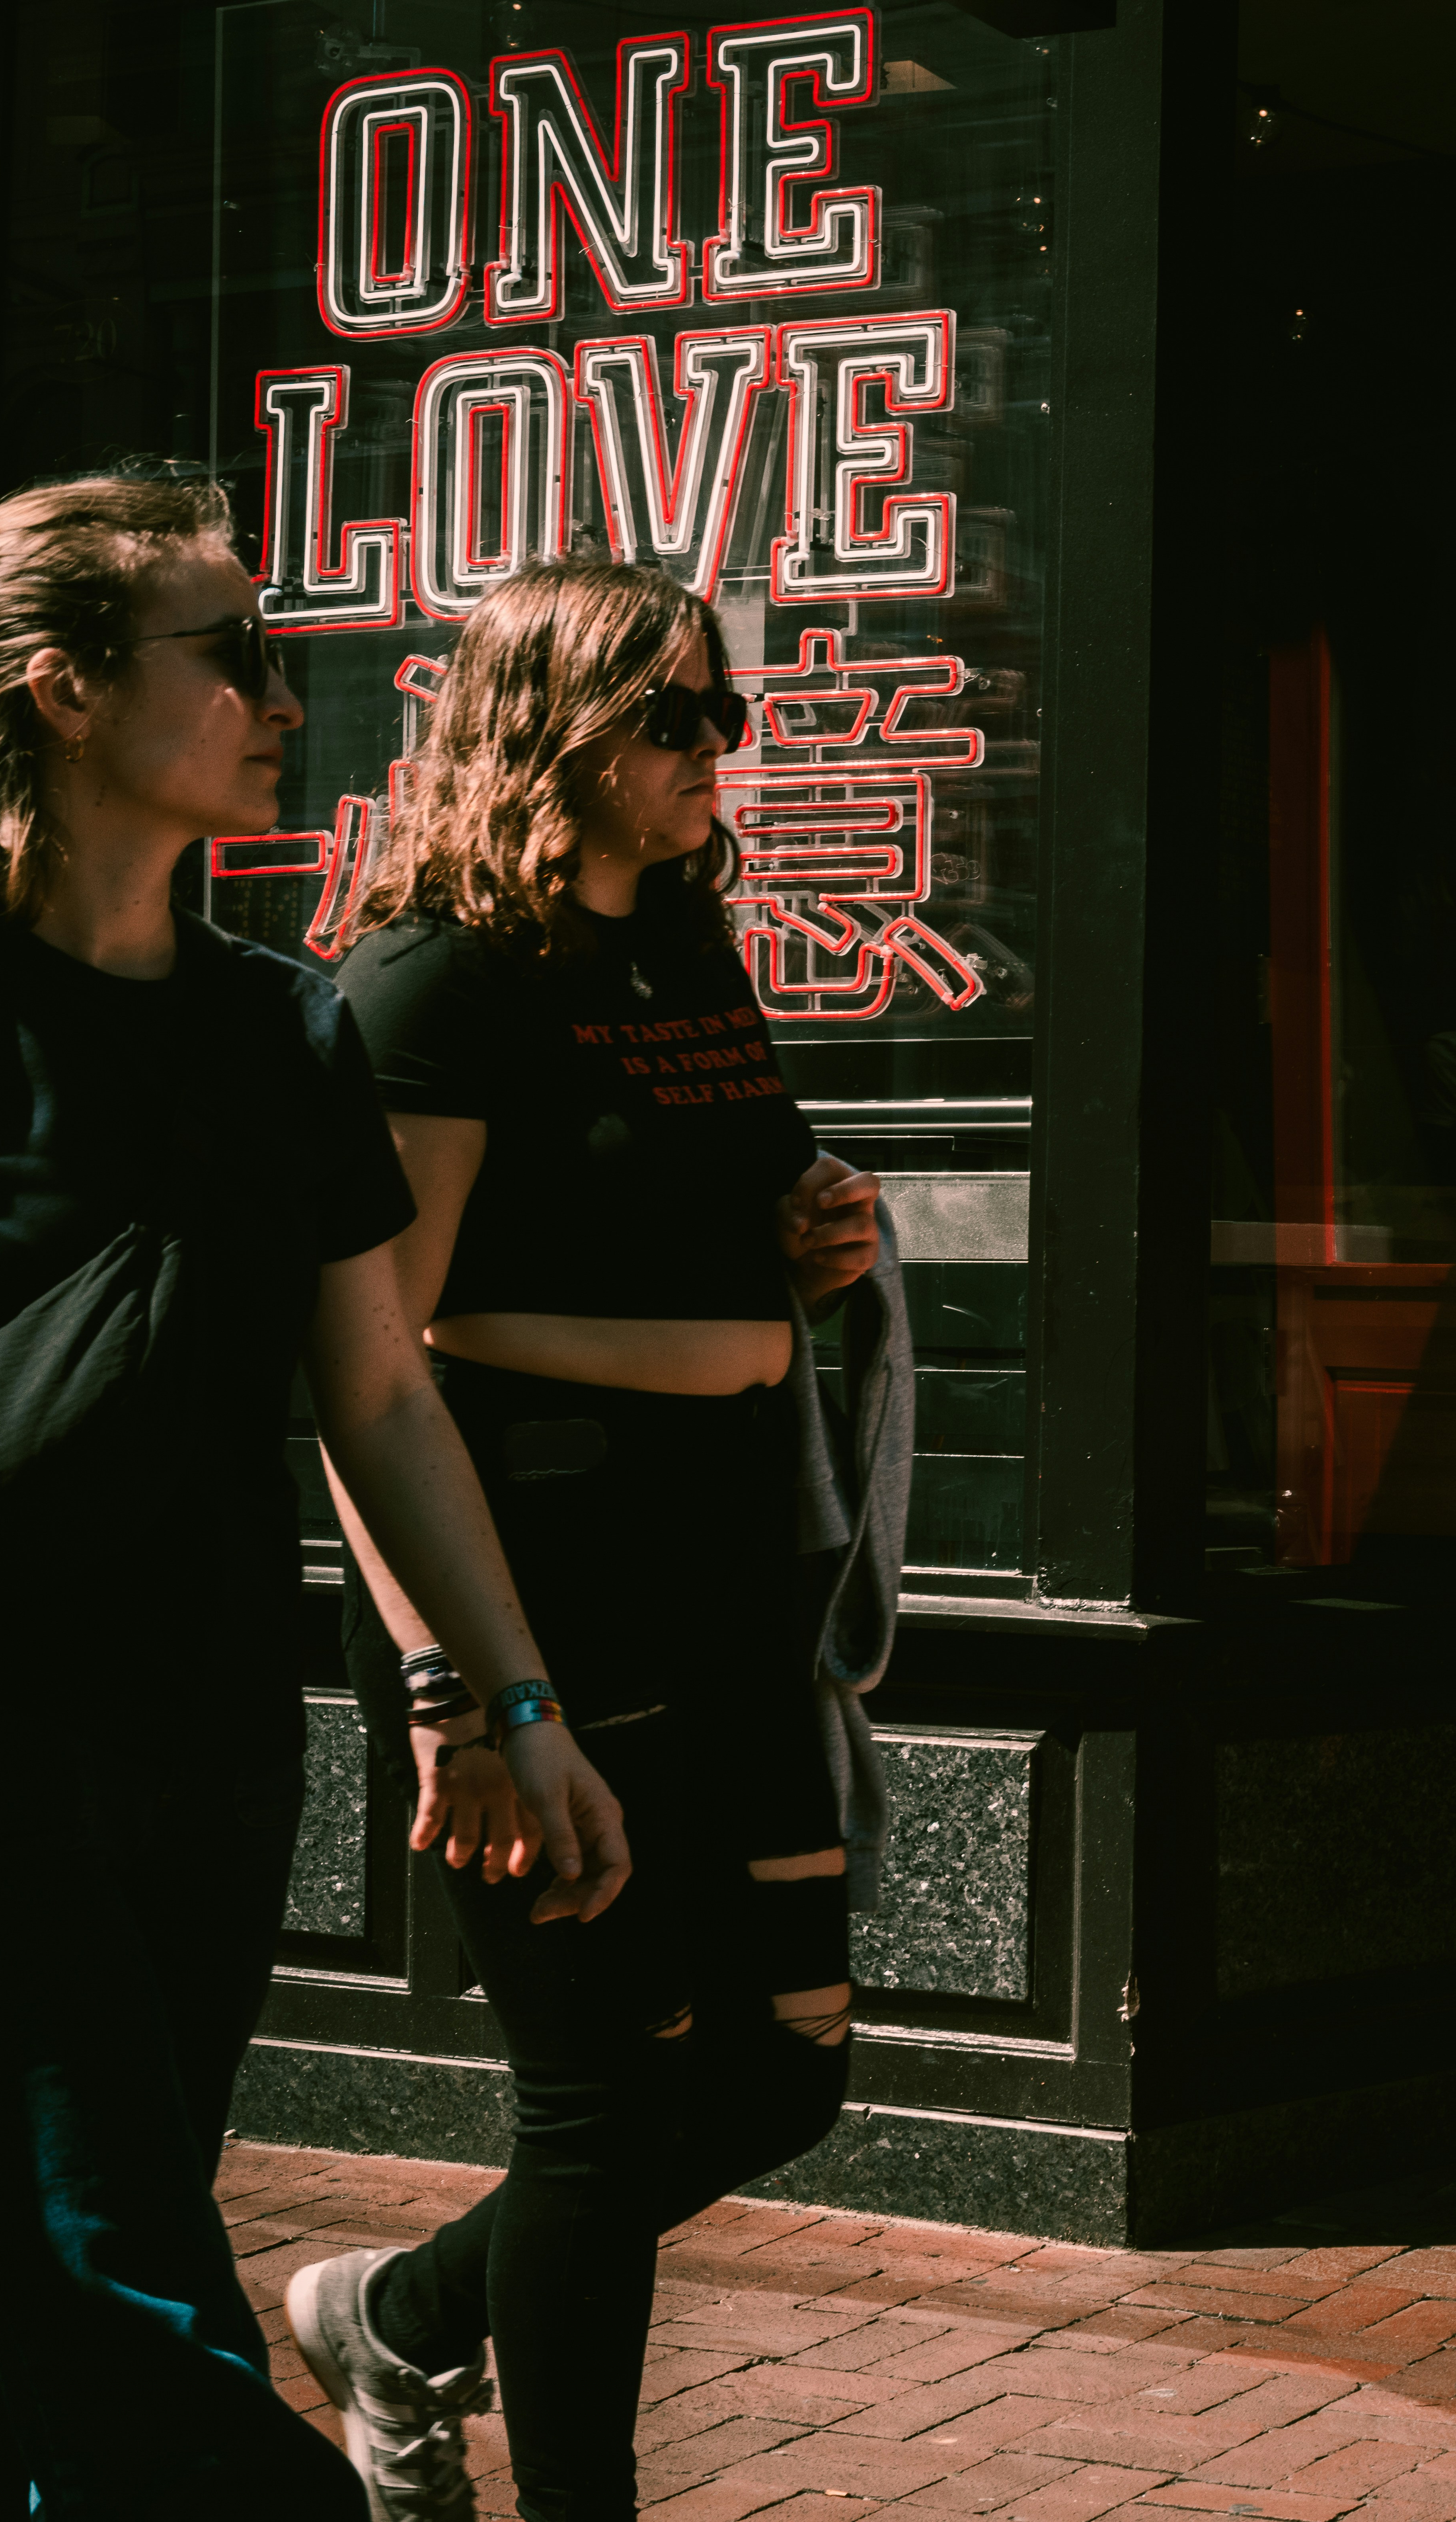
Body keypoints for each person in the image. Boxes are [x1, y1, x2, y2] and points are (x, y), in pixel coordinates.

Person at [0, 472, 626, 2519]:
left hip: (206, 1740)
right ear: (67, 688)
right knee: (113, 2291)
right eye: (236, 654)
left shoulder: (281, 1026)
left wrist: (517, 1698)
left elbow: (382, 1395)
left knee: (4, 2307)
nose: (288, 699)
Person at [274, 560, 885, 2522]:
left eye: (728, 711)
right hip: (546, 1575)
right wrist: (450, 1688)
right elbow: (368, 1374)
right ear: (558, 731)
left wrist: (803, 1246)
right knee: (605, 2105)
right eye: (677, 716)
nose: (724, 749)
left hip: (733, 1569)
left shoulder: (687, 951)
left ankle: (395, 2316)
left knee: (784, 2072)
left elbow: (676, 1221)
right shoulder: (434, 985)